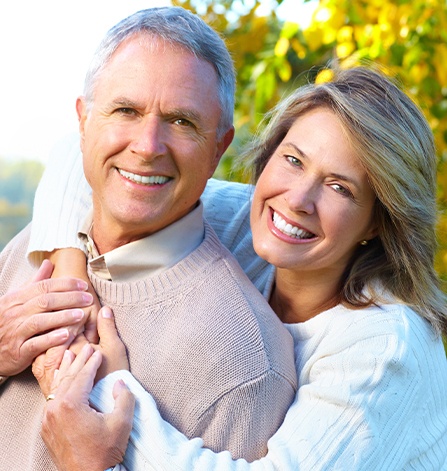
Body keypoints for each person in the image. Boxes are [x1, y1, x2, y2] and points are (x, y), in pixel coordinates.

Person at [30, 66, 447, 470]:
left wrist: (110, 388)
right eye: (294, 160)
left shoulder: (384, 347)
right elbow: (78, 149)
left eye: (340, 187)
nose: (298, 198)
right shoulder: (249, 222)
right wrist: (71, 283)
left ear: (379, 220)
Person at [0, 7, 299, 470]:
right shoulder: (29, 249)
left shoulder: (245, 363)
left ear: (219, 147)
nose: (147, 146)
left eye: (181, 121)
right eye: (126, 110)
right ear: (83, 122)